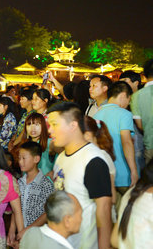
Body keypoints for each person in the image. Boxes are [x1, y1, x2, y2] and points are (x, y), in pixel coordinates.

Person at [48, 102, 112, 249]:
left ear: (73, 125)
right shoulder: (61, 158)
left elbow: (104, 210)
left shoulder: (93, 160)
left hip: (85, 243)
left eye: (54, 124)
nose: (50, 130)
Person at [93, 81, 138, 197]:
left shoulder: (96, 116)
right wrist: (133, 170)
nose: (129, 103)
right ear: (123, 95)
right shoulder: (124, 114)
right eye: (129, 99)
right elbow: (126, 142)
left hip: (104, 175)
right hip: (123, 174)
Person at [13, 141, 55, 240]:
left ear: (36, 159)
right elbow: (15, 208)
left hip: (38, 235)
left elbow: (48, 212)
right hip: (20, 234)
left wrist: (28, 230)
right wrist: (12, 229)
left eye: (24, 158)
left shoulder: (45, 184)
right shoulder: (19, 182)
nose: (20, 161)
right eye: (19, 158)